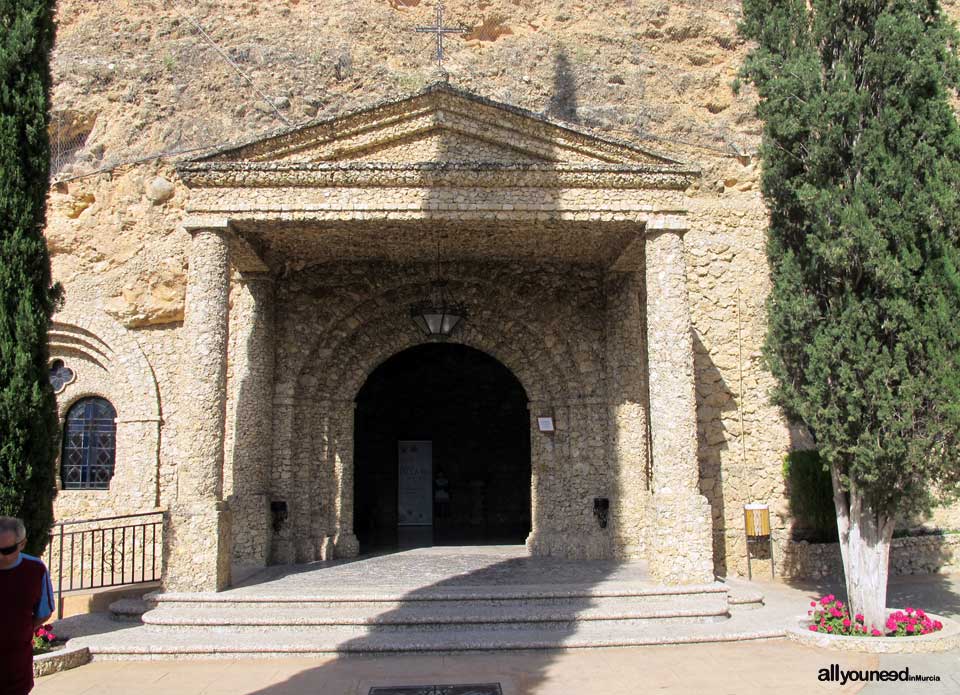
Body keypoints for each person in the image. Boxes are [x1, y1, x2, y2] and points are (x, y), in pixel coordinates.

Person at [0, 517, 55, 695]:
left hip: (15, 665)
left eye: (6, 550)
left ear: (22, 544)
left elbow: (44, 611)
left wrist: (20, 630)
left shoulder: (35, 569)